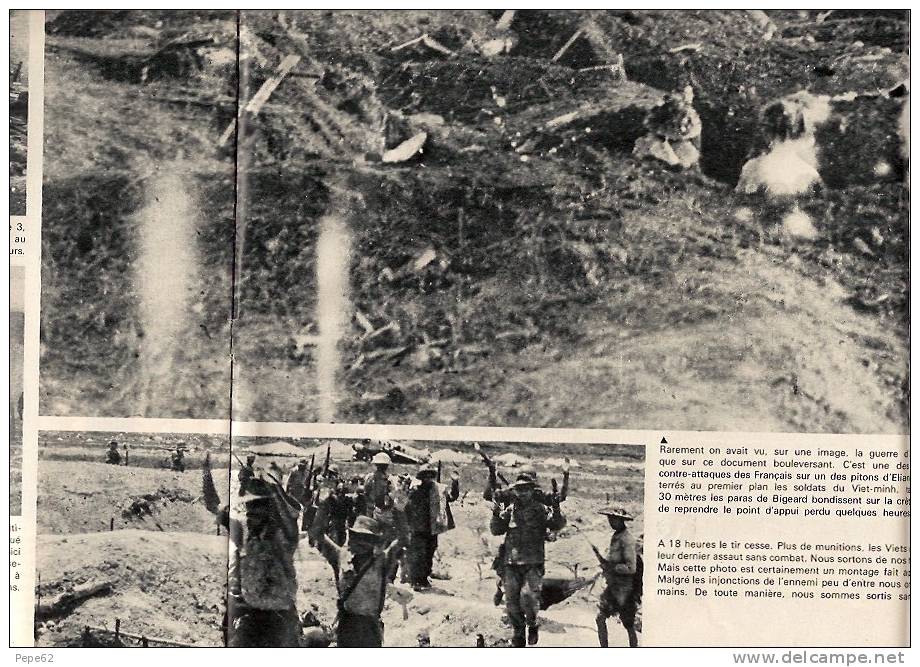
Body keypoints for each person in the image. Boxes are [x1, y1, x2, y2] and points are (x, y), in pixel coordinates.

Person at [310, 479, 408, 647]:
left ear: (373, 543)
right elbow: (318, 534)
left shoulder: (382, 561)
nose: (359, 542)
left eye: (365, 539)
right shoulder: (340, 556)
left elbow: (403, 539)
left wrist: (398, 510)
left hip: (370, 629)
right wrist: (324, 503)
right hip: (346, 625)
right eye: (356, 536)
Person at [226, 465, 304, 647]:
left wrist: (275, 491)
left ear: (268, 512)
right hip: (252, 615)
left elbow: (293, 516)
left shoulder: (283, 539)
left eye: (257, 510)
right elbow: (219, 511)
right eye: (249, 510)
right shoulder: (247, 536)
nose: (251, 516)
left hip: (279, 619)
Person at [490, 473, 565, 647]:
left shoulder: (540, 509)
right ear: (514, 491)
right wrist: (495, 511)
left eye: (526, 489)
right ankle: (518, 633)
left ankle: (531, 624)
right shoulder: (510, 510)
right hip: (511, 562)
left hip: (533, 562)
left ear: (532, 491)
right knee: (511, 602)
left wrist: (556, 507)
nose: (522, 493)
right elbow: (496, 530)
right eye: (519, 490)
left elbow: (557, 525)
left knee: (529, 598)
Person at [405, 463, 460, 590]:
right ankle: (415, 581)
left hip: (432, 527)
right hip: (417, 528)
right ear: (421, 477)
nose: (428, 478)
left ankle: (424, 579)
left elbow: (452, 497)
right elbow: (406, 506)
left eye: (430, 475)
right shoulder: (415, 490)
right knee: (418, 554)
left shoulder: (439, 490)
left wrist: (455, 483)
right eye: (425, 475)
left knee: (429, 552)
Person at [593, 507, 641, 648]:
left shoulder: (627, 539)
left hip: (625, 590)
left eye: (613, 519)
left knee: (628, 624)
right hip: (613, 587)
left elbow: (631, 568)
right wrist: (602, 560)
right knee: (600, 618)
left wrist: (612, 568)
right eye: (609, 519)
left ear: (621, 520)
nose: (610, 522)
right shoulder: (616, 536)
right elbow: (612, 561)